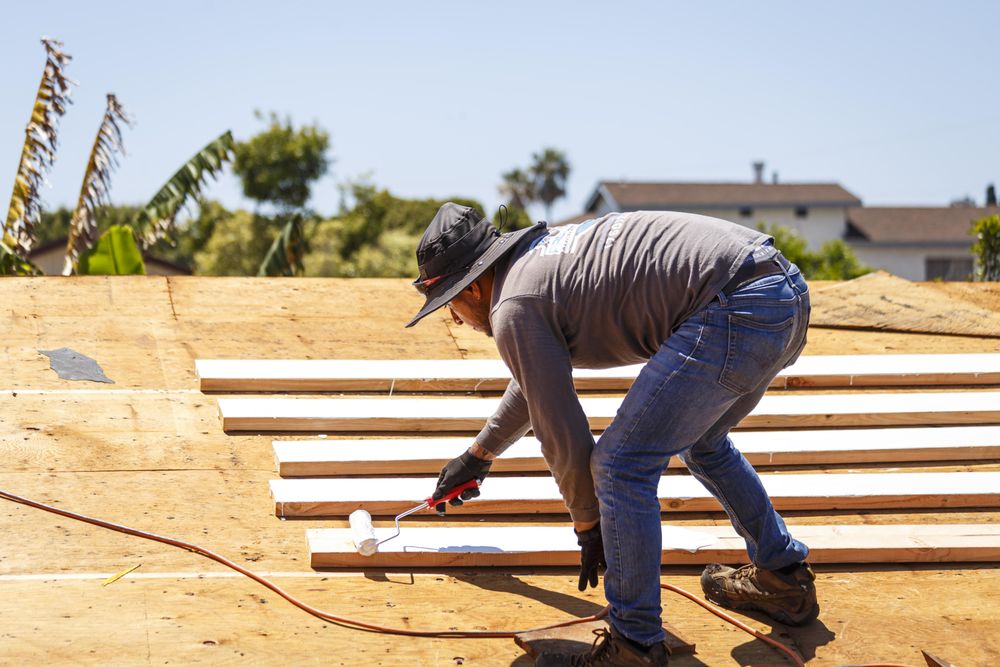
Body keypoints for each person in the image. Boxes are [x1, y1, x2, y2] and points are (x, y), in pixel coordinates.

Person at [406, 203, 818, 666]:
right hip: (782, 294)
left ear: (475, 286)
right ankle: (782, 577)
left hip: (732, 306)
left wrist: (588, 522)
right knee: (703, 441)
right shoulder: (535, 265)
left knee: (620, 465)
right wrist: (480, 454)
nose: (456, 319)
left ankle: (634, 645)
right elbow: (536, 382)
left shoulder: (513, 306)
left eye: (452, 304)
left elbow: (560, 430)